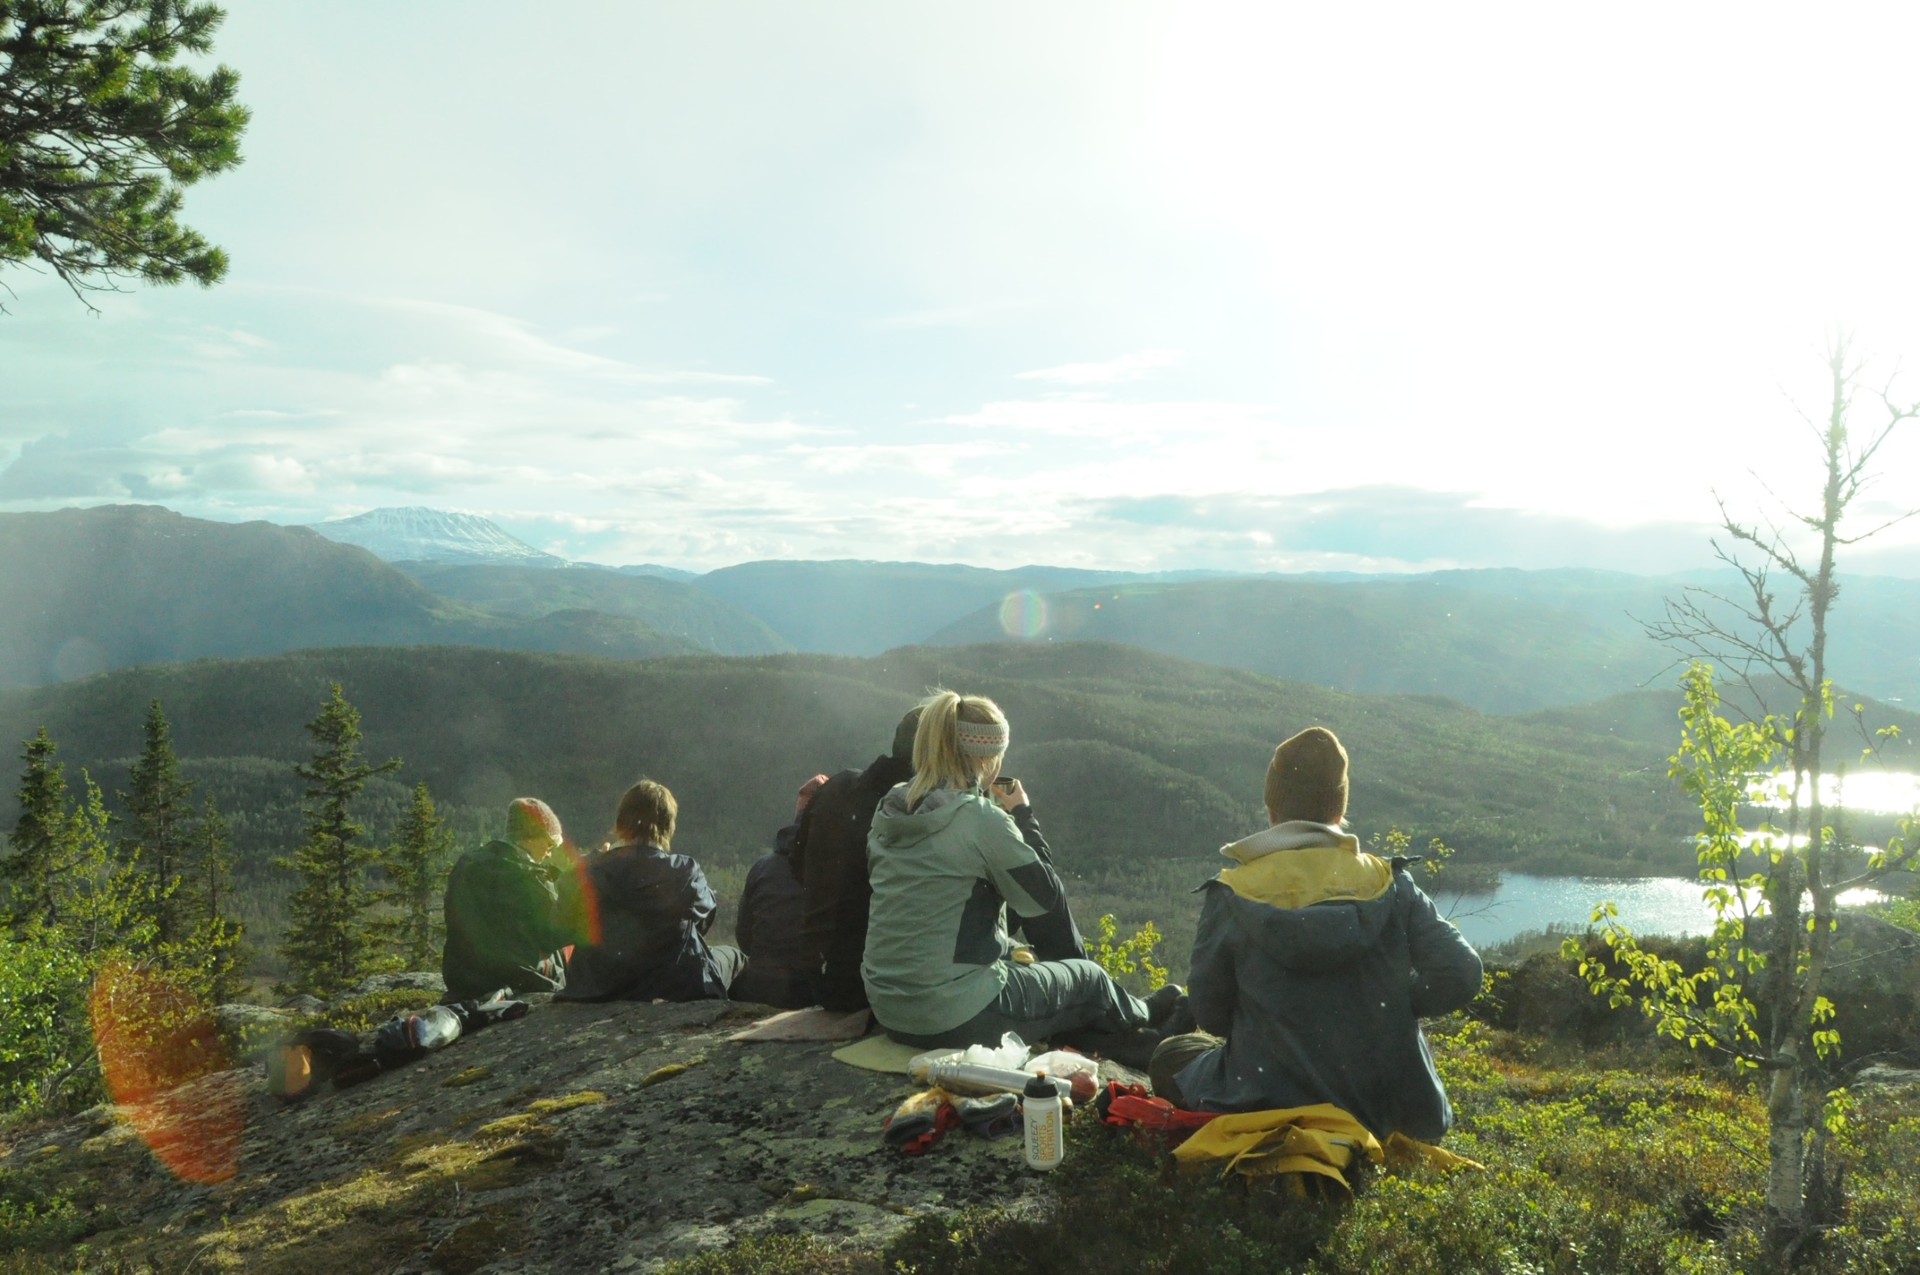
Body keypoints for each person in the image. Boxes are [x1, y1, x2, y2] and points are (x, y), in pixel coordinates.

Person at [1148, 727, 1483, 1143]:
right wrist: (1395, 1008)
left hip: (1263, 1101)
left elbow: (1211, 1014)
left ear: (1272, 807)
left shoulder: (1235, 892)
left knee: (1171, 1056)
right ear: (1339, 809)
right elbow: (1462, 973)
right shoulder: (1390, 883)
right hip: (1386, 1111)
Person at [861, 689, 1152, 1048]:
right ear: (988, 759)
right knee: (1089, 978)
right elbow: (1044, 898)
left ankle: (1126, 1018)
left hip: (891, 1009)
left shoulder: (890, 809)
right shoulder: (979, 819)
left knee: (1020, 960)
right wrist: (1022, 817)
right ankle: (1149, 1017)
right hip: (955, 1015)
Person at [556, 779, 744, 1002]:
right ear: (668, 827)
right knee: (735, 957)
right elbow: (704, 919)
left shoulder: (586, 872)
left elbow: (562, 928)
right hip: (670, 988)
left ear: (620, 821)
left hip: (595, 989)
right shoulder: (685, 871)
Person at [788, 710, 920, 1012]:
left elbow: (797, 866)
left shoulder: (837, 785)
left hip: (820, 975)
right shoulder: (919, 807)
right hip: (876, 985)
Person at [440, 797, 575, 1001]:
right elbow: (556, 934)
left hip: (464, 979)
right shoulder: (531, 877)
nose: (549, 854)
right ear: (531, 836)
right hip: (518, 979)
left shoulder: (467, 864)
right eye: (549, 844)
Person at [727, 775, 830, 1008]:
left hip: (760, 987)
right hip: (813, 992)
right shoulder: (838, 868)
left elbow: (744, 936)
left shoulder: (762, 867)